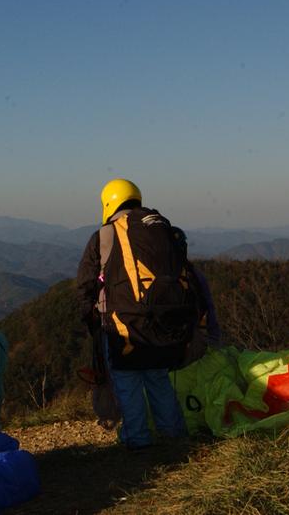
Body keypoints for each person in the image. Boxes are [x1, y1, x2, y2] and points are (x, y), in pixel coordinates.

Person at [75, 179, 199, 449]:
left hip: (124, 326)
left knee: (127, 381)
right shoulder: (166, 230)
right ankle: (171, 435)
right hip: (168, 324)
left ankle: (137, 440)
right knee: (157, 377)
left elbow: (84, 284)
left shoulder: (105, 235)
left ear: (109, 202)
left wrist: (93, 322)